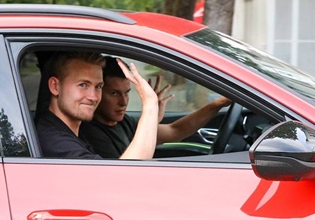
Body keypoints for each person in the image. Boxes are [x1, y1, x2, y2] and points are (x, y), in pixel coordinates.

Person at [80, 57, 232, 158]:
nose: (123, 101)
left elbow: (175, 131)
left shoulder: (122, 121)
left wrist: (217, 104)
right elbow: (125, 174)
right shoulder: (91, 132)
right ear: (98, 92)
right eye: (114, 93)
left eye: (127, 93)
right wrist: (150, 107)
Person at [35, 51, 160, 160]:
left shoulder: (68, 130)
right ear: (55, 86)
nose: (94, 97)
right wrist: (150, 105)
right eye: (83, 85)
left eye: (98, 87)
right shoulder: (55, 142)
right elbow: (121, 178)